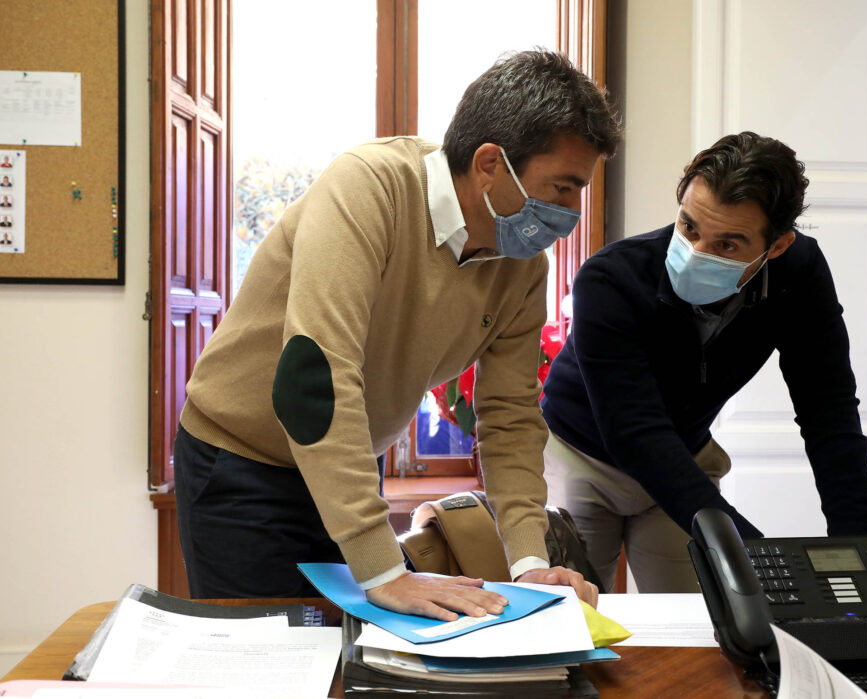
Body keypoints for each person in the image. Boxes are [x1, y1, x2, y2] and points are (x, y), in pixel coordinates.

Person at [175, 50, 622, 619]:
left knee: (363, 648)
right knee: (270, 652)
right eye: (562, 187)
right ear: (490, 163)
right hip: (244, 462)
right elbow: (315, 381)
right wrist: (385, 571)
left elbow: (510, 415)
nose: (572, 210)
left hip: (347, 461)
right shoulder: (368, 189)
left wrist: (530, 561)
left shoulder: (523, 263)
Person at [540, 131, 867, 594]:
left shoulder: (798, 274)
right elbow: (636, 434)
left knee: (706, 617)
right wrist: (763, 557)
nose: (696, 253)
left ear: (777, 246)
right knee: (576, 615)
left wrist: (862, 554)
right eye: (689, 226)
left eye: (727, 246)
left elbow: (830, 411)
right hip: (580, 456)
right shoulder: (611, 279)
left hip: (683, 455)